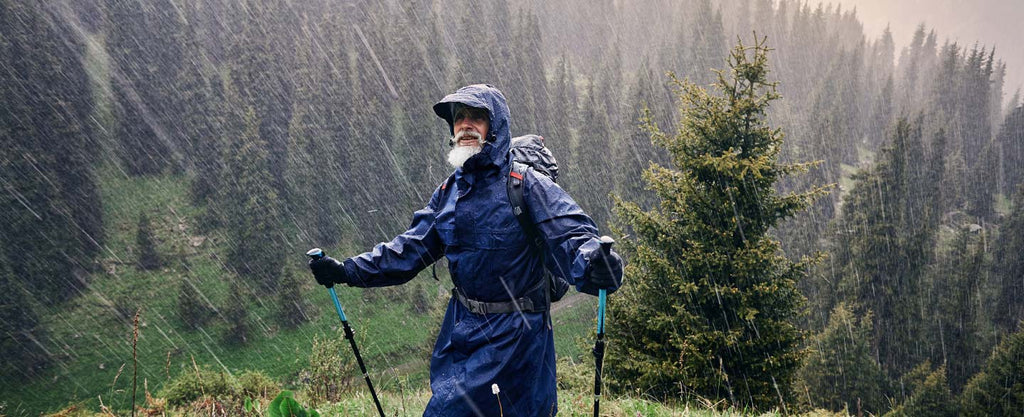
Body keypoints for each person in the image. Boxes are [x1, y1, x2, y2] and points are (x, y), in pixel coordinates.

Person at [308, 84, 622, 416]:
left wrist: (596, 263)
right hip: (460, 331)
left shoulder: (526, 185)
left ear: (496, 127)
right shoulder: (449, 193)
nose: (465, 125)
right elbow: (408, 249)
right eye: (459, 117)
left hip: (516, 337)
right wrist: (346, 271)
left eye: (476, 117)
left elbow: (572, 234)